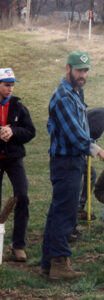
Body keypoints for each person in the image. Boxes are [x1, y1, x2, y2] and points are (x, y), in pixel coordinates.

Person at [41, 51, 104, 280]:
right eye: (79, 70)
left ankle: (48, 264)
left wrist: (91, 146)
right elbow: (76, 135)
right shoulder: (63, 97)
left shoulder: (75, 93)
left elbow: (79, 130)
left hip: (72, 160)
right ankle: (60, 264)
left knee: (58, 212)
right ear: (67, 69)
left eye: (85, 71)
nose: (83, 75)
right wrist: (98, 150)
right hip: (66, 162)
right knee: (65, 213)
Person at [0, 68, 35, 262]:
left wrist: (13, 132)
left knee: (22, 195)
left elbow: (30, 131)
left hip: (14, 159)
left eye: (12, 85)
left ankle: (18, 245)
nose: (10, 89)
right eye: (6, 85)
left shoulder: (19, 107)